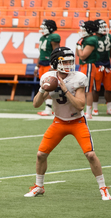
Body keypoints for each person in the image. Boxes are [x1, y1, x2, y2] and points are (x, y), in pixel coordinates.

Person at [24, 47, 111, 201]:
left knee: (90, 154)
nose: (69, 64)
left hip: (77, 121)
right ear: (55, 63)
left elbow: (79, 105)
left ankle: (103, 188)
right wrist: (43, 90)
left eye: (71, 61)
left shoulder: (78, 77)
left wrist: (65, 90)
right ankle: (39, 186)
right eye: (65, 61)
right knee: (41, 154)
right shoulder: (48, 76)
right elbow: (36, 104)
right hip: (58, 121)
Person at [35, 19, 60, 116]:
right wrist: (37, 66)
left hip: (49, 65)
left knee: (48, 86)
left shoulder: (54, 37)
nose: (42, 29)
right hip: (42, 65)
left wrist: (53, 66)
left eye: (44, 27)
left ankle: (48, 109)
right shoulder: (42, 38)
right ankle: (48, 108)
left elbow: (56, 52)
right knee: (44, 86)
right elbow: (41, 53)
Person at [76, 20, 99, 119]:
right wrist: (79, 45)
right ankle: (85, 111)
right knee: (83, 88)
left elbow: (82, 56)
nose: (82, 30)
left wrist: (79, 46)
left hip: (89, 65)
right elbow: (78, 54)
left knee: (88, 89)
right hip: (84, 66)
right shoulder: (86, 39)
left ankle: (89, 113)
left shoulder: (91, 40)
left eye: (84, 29)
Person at [92, 19, 111, 115]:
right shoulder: (93, 39)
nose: (104, 29)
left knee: (109, 88)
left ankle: (109, 108)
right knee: (96, 88)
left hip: (107, 65)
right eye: (102, 27)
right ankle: (95, 108)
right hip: (96, 65)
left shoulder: (108, 37)